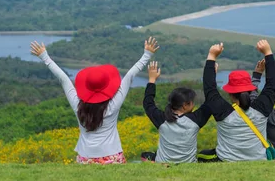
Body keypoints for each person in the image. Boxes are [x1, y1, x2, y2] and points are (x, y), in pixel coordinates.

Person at [30, 37, 159, 164]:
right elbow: (129, 76)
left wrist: (44, 56)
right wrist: (147, 55)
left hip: (85, 158)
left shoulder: (78, 106)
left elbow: (63, 79)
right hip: (113, 157)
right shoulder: (113, 105)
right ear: (107, 86)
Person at [198, 40, 275, 162]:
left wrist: (211, 56)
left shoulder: (223, 112)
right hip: (258, 159)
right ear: (251, 90)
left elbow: (209, 88)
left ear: (230, 92)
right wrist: (268, 52)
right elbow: (272, 84)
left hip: (226, 159)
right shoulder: (261, 109)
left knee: (203, 155)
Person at [141, 61, 212, 163]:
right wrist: (211, 75)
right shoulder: (196, 119)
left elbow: (148, 103)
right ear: (185, 105)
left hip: (163, 163)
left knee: (145, 155)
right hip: (189, 163)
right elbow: (211, 100)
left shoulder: (162, 119)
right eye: (192, 102)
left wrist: (152, 80)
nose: (194, 105)